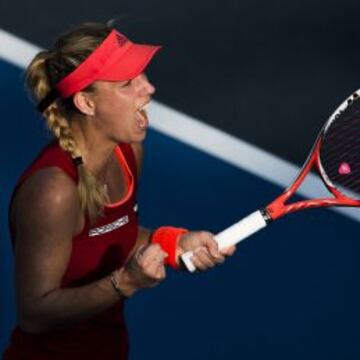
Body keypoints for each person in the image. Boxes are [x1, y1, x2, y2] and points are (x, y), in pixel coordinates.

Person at [3, 22, 236, 360]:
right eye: (129, 83)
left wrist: (173, 242)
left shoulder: (127, 152)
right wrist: (126, 282)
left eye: (142, 76)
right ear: (86, 102)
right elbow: (34, 314)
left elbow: (112, 237)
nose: (150, 89)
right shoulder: (53, 191)